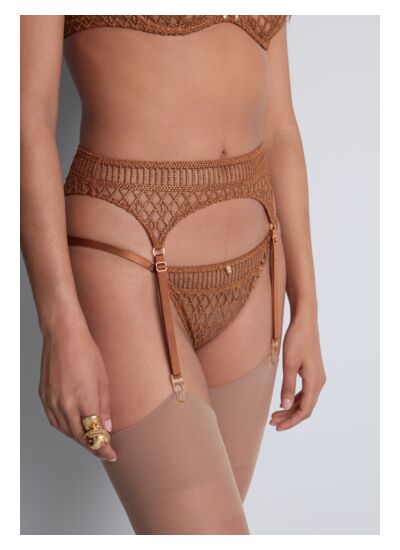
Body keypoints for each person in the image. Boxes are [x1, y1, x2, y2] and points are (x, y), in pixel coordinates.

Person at [20, 15, 326, 535]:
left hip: (254, 274)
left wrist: (308, 308)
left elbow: (280, 129)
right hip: (127, 259)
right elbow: (26, 123)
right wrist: (59, 327)